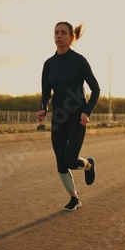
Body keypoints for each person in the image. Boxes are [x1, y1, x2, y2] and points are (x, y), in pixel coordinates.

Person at [37, 21, 101, 211]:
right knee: (60, 163)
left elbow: (95, 89)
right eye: (56, 32)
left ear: (71, 37)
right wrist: (43, 108)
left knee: (70, 160)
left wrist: (86, 111)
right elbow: (45, 93)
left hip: (77, 117)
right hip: (58, 118)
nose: (59, 36)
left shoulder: (79, 61)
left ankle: (88, 165)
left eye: (63, 33)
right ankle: (74, 198)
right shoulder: (49, 64)